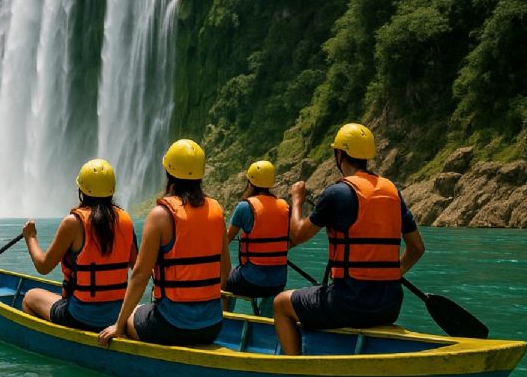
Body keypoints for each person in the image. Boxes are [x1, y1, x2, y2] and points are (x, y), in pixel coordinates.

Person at [272, 123, 426, 355]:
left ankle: (295, 369)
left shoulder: (337, 193)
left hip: (348, 304)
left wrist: (297, 199)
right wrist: (391, 274)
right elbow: (416, 248)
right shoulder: (392, 191)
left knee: (281, 304)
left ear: (339, 154)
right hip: (389, 305)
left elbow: (297, 234)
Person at [98, 139, 228, 347]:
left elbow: (140, 275)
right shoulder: (217, 210)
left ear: (169, 173)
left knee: (133, 313)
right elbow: (225, 270)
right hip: (212, 325)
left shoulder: (161, 215)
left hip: (172, 325)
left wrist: (118, 325)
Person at [21, 158, 138, 332]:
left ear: (81, 190)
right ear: (112, 190)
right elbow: (137, 267)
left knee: (29, 297)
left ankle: (52, 345)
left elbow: (43, 266)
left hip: (80, 316)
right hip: (118, 316)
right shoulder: (125, 220)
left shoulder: (73, 223)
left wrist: (31, 238)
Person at [225, 160, 289, 305]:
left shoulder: (244, 207)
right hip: (279, 282)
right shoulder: (284, 207)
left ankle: (225, 318)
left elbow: (226, 240)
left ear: (249, 182)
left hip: (250, 280)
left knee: (224, 278)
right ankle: (267, 320)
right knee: (271, 289)